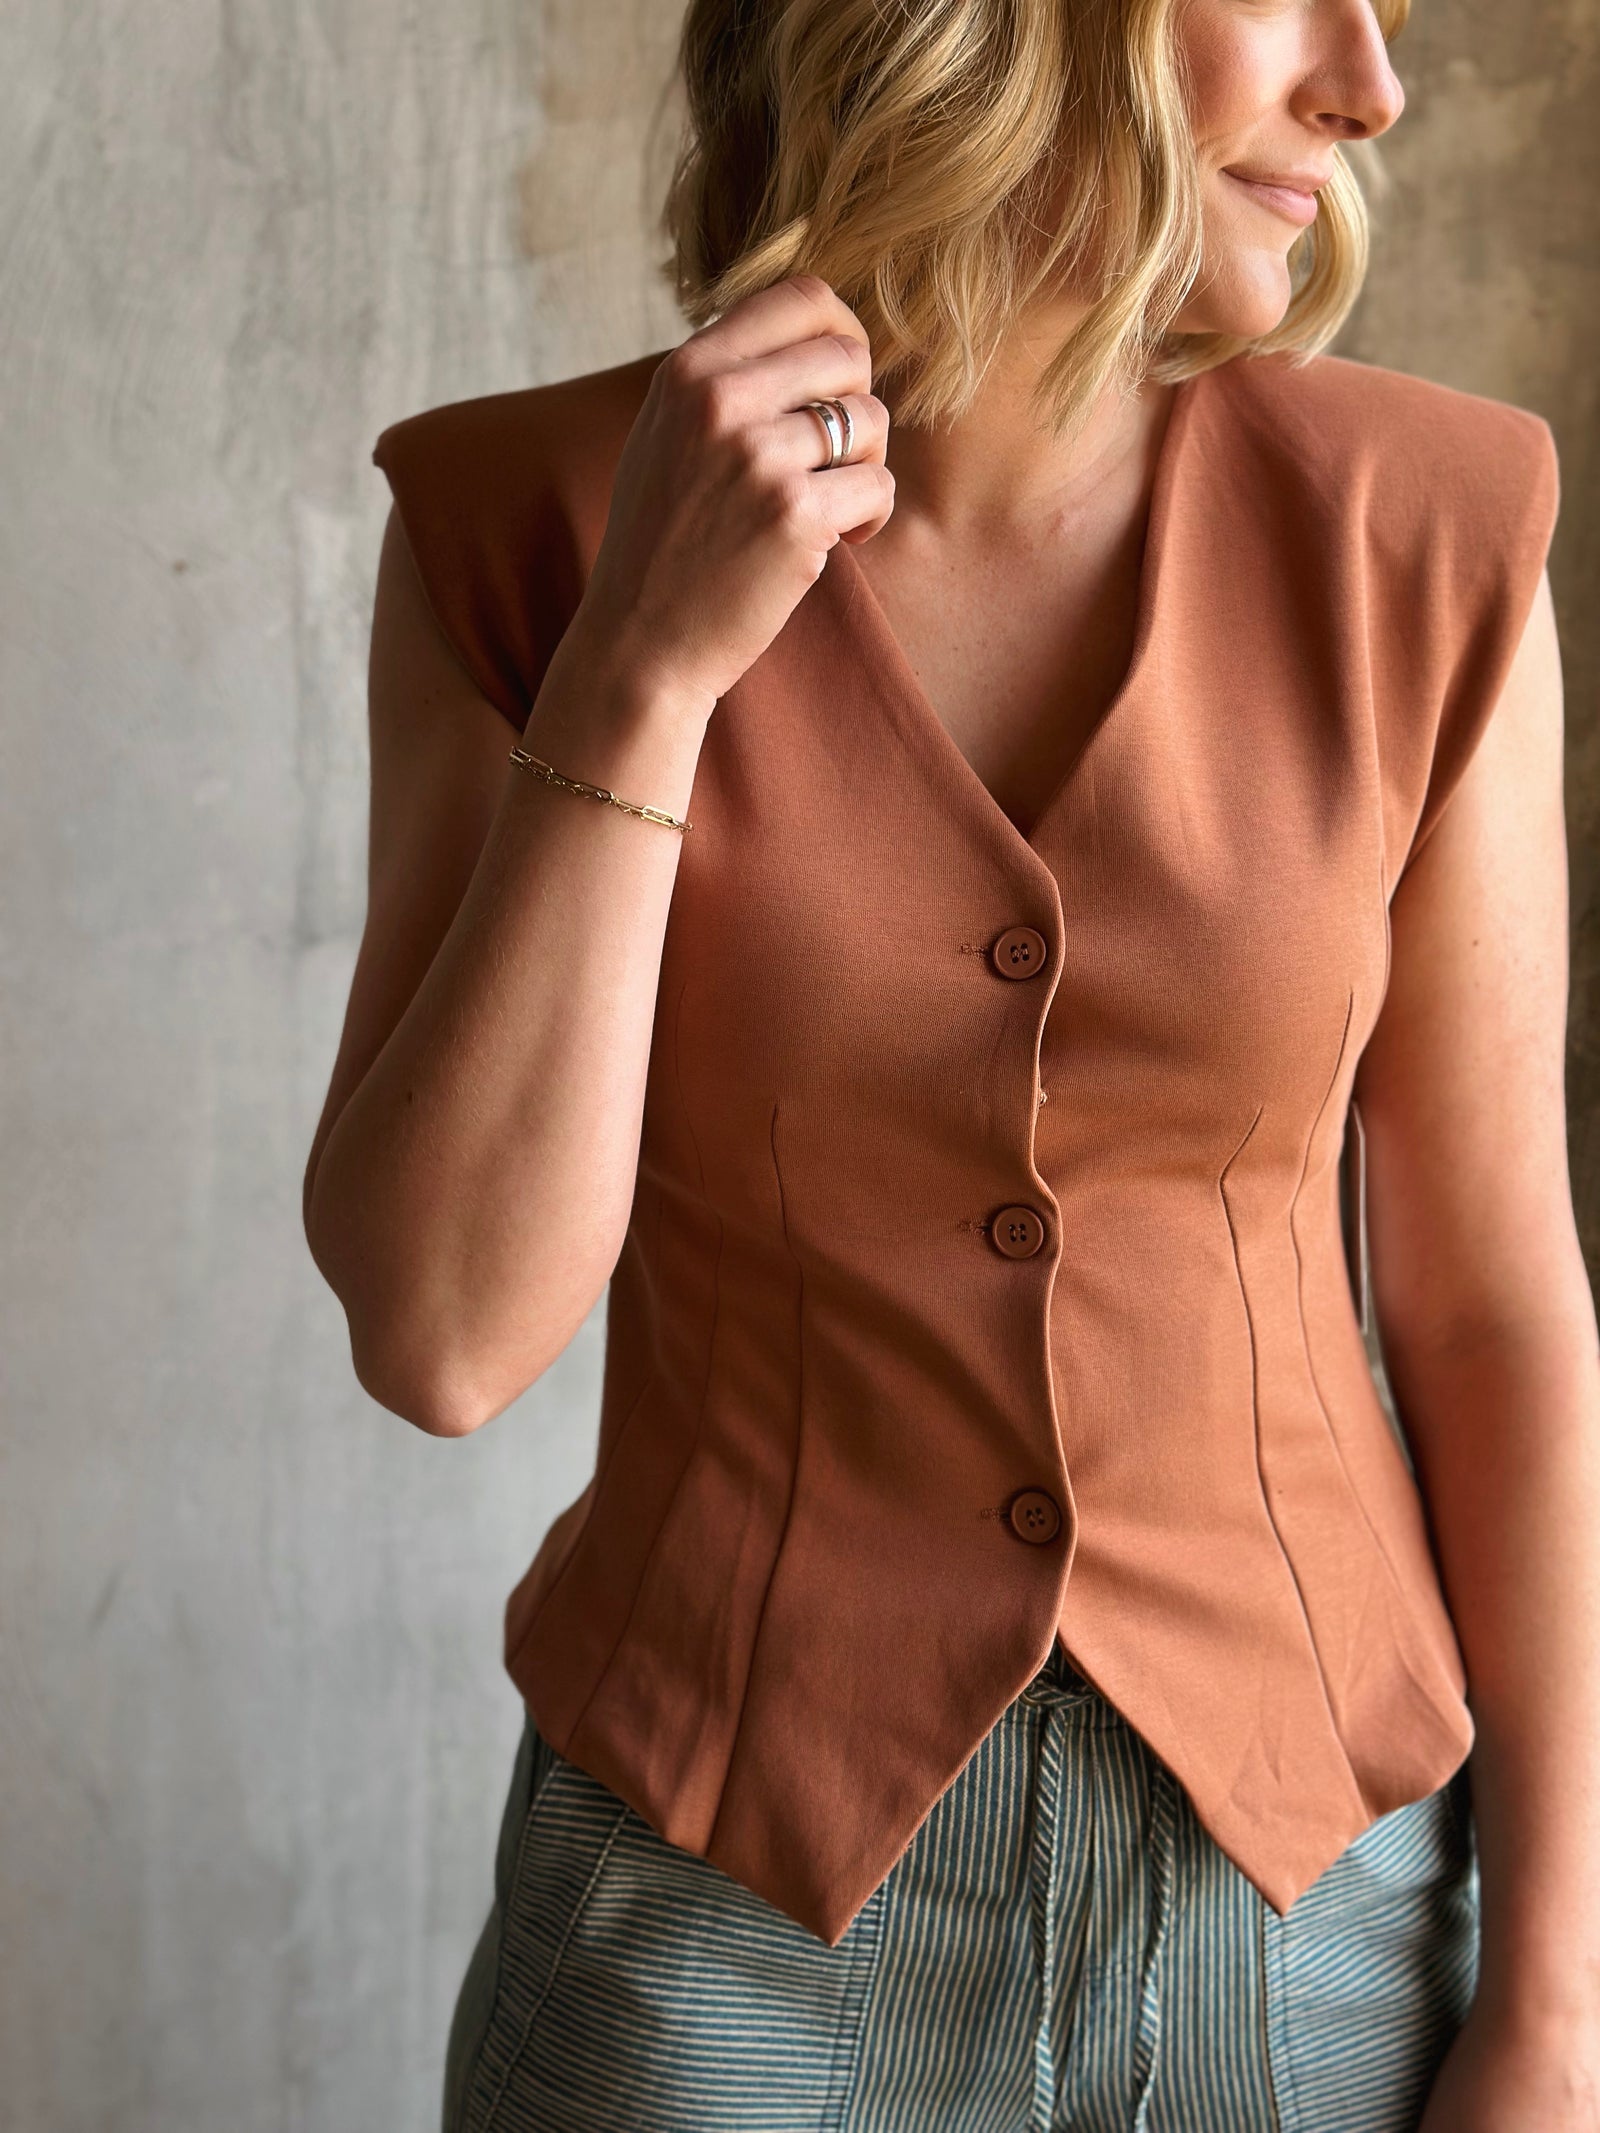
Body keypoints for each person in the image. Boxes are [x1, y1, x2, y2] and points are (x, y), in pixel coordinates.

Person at [302, 0, 1599, 2122]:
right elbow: (443, 1330)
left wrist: (1552, 1999)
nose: (1369, 81)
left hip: (1322, 1911)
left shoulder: (1428, 536)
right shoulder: (526, 526)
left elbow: (1484, 1305)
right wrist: (641, 670)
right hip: (709, 1920)